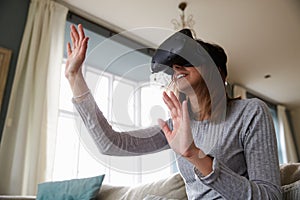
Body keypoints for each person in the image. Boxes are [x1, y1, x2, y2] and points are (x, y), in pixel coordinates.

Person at [65, 24, 282, 199]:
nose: (176, 67)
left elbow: (271, 196)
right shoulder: (177, 125)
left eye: (188, 60)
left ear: (217, 72)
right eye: (174, 64)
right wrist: (75, 77)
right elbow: (111, 144)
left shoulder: (250, 113)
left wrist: (195, 155)